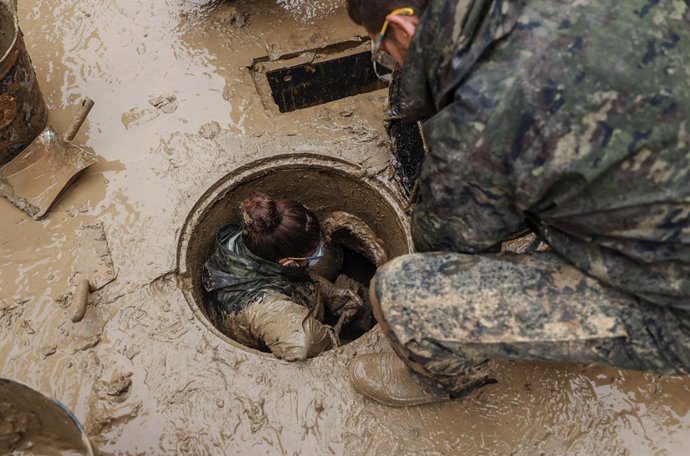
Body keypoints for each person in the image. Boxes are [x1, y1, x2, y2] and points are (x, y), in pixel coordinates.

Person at [345, 0, 690, 406]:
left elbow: (446, 251)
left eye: (385, 51)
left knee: (406, 296)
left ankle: (441, 381)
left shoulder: (479, 123)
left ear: (403, 28)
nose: (393, 62)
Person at [202, 194, 363, 361]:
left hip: (269, 283)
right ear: (287, 262)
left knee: (328, 260)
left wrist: (329, 292)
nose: (320, 250)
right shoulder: (268, 310)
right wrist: (330, 336)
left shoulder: (259, 234)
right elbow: (302, 343)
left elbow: (286, 273)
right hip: (260, 320)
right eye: (315, 253)